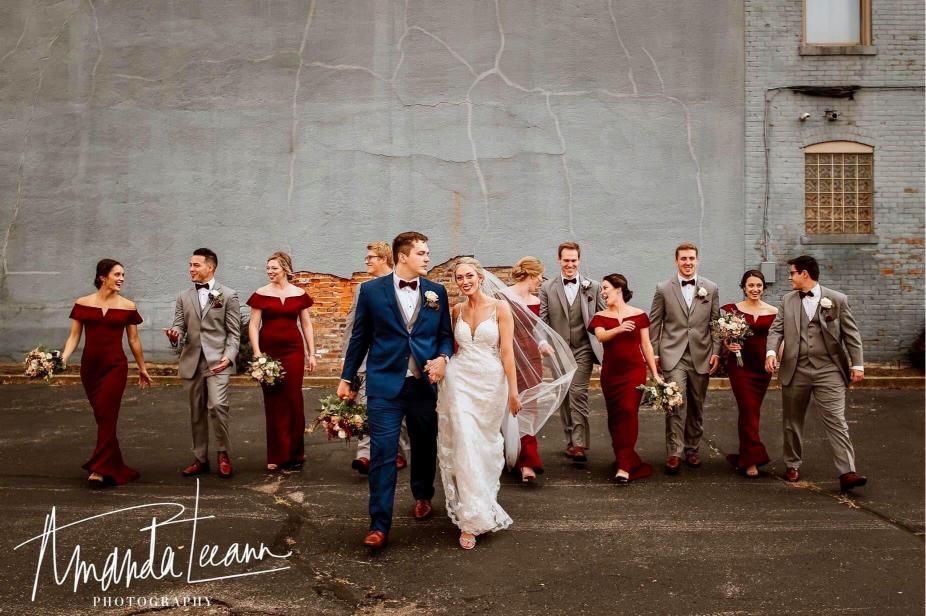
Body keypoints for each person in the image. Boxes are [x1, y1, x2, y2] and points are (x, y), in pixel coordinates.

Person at [338, 231, 454, 551]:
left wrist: (443, 358)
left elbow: (445, 335)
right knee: (382, 454)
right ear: (402, 256)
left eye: (428, 252)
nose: (428, 258)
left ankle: (422, 495)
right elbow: (359, 338)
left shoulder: (436, 293)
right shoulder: (371, 291)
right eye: (422, 253)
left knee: (423, 445)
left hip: (422, 385)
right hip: (384, 384)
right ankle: (379, 524)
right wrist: (347, 378)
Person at [765, 255, 867, 492]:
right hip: (795, 368)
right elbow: (776, 330)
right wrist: (771, 352)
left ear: (804, 274)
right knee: (792, 421)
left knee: (836, 421)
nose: (790, 277)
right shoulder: (787, 301)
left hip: (829, 369)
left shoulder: (837, 300)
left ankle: (847, 472)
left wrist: (857, 365)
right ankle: (792, 464)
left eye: (792, 273)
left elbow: (851, 335)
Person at [438, 258, 520, 549]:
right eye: (459, 277)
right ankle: (470, 520)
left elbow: (507, 352)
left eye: (469, 275)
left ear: (481, 276)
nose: (464, 281)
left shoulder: (501, 308)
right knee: (464, 441)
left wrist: (513, 390)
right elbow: (449, 345)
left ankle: (483, 501)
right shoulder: (456, 310)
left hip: (490, 383)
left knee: (485, 447)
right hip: (459, 381)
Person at [61, 259, 152, 487]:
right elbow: (74, 337)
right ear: (103, 276)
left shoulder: (128, 306)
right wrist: (61, 360)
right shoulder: (82, 303)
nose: (122, 279)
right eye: (117, 274)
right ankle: (114, 464)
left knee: (107, 414)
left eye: (123, 275)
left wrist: (142, 368)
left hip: (115, 367)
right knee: (102, 417)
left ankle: (99, 470)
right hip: (90, 368)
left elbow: (134, 340)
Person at [166, 248, 241, 478]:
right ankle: (200, 458)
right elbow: (179, 325)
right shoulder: (183, 296)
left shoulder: (228, 295)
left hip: (218, 361)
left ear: (211, 267)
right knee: (196, 412)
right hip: (192, 361)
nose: (191, 269)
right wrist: (175, 334)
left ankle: (223, 454)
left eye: (196, 265)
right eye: (190, 264)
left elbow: (234, 333)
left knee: (218, 406)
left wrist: (228, 358)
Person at [649, 242, 720, 475]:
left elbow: (715, 324)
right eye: (683, 259)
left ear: (697, 260)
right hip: (673, 354)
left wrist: (716, 352)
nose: (688, 263)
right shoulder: (663, 288)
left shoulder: (710, 288)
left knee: (697, 405)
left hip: (701, 354)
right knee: (675, 402)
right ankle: (674, 452)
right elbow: (655, 323)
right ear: (676, 261)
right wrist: (656, 352)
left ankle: (692, 448)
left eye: (691, 258)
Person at [247, 251, 317, 471]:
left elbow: (306, 325)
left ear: (285, 269)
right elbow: (253, 325)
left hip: (293, 351)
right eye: (268, 269)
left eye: (274, 268)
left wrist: (311, 353)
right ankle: (277, 454)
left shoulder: (299, 293)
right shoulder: (260, 294)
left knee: (294, 399)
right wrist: (257, 353)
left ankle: (295, 453)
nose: (270, 272)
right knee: (274, 401)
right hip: (269, 353)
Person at [346, 242, 410, 475]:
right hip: (367, 360)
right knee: (365, 406)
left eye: (371, 257)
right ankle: (365, 455)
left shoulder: (403, 286)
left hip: (396, 360)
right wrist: (349, 365)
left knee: (397, 410)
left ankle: (398, 453)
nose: (367, 261)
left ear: (384, 259)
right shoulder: (364, 289)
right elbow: (354, 329)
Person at [588, 274, 659, 484]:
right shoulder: (600, 317)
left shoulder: (640, 315)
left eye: (606, 288)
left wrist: (654, 374)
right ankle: (623, 457)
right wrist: (618, 329)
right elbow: (600, 336)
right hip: (611, 374)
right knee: (615, 417)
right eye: (602, 289)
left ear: (619, 289)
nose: (603, 292)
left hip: (634, 372)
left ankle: (624, 466)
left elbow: (646, 345)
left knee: (629, 412)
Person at [539, 242, 605, 463]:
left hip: (584, 348)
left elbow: (603, 316)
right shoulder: (548, 288)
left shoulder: (592, 287)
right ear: (559, 260)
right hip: (558, 351)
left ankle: (579, 443)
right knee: (565, 395)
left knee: (578, 392)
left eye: (573, 260)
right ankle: (570, 439)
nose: (570, 264)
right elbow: (542, 320)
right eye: (566, 260)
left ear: (579, 260)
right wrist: (542, 342)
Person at [721, 270, 777, 478]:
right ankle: (752, 459)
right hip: (740, 367)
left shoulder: (774, 311)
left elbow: (779, 339)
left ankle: (746, 454)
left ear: (763, 287)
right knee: (748, 409)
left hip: (762, 368)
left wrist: (777, 358)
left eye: (758, 286)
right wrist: (729, 344)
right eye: (751, 285)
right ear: (743, 287)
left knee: (752, 412)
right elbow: (724, 339)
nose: (755, 289)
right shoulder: (731, 310)